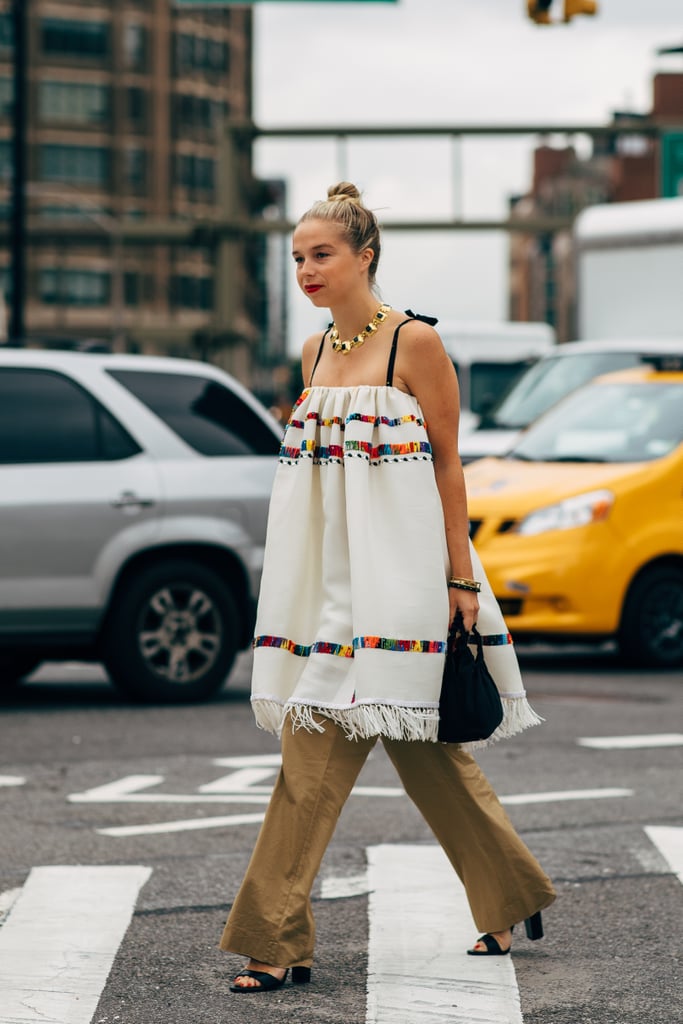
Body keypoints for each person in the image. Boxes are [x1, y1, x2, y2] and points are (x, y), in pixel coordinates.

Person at [220, 181, 556, 994]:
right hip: (333, 586)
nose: (306, 269)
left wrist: (457, 580)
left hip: (406, 580)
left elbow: (448, 466)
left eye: (321, 254)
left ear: (364, 255)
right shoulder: (310, 355)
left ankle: (274, 938)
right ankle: (509, 896)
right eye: (297, 257)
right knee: (408, 753)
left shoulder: (415, 344)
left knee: (380, 751)